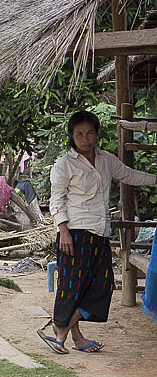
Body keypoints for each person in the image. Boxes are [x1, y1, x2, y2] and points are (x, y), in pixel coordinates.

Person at [38, 109, 157, 355]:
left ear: (96, 134)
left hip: (101, 232)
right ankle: (72, 336)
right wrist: (63, 231)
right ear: (72, 136)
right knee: (72, 286)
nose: (85, 138)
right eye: (79, 134)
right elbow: (56, 201)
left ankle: (61, 331)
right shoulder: (64, 164)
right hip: (75, 232)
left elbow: (130, 175)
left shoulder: (106, 160)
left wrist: (155, 179)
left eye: (89, 133)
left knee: (103, 285)